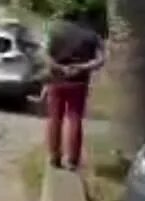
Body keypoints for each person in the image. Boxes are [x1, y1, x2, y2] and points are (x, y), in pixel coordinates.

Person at [44, 9, 106, 170]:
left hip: (57, 81)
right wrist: (82, 67)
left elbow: (46, 57)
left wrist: (60, 68)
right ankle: (72, 160)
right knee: (74, 118)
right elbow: (101, 60)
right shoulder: (92, 35)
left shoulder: (55, 31)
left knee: (54, 118)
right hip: (78, 82)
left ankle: (54, 156)